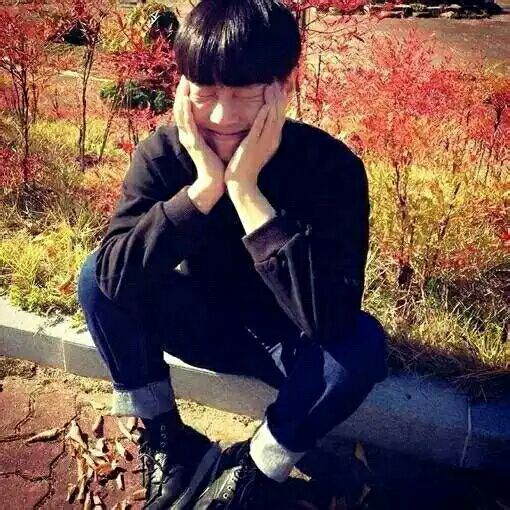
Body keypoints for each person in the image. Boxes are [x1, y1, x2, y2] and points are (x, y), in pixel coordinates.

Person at [77, 0, 389, 508]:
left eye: (244, 93)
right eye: (206, 93)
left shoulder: (331, 167)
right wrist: (202, 190)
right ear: (183, 89)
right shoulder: (164, 155)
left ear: (286, 85)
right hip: (202, 323)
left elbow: (329, 319)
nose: (222, 116)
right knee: (97, 274)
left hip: (289, 343)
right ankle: (169, 439)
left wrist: (246, 191)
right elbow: (111, 280)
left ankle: (255, 468)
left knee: (360, 348)